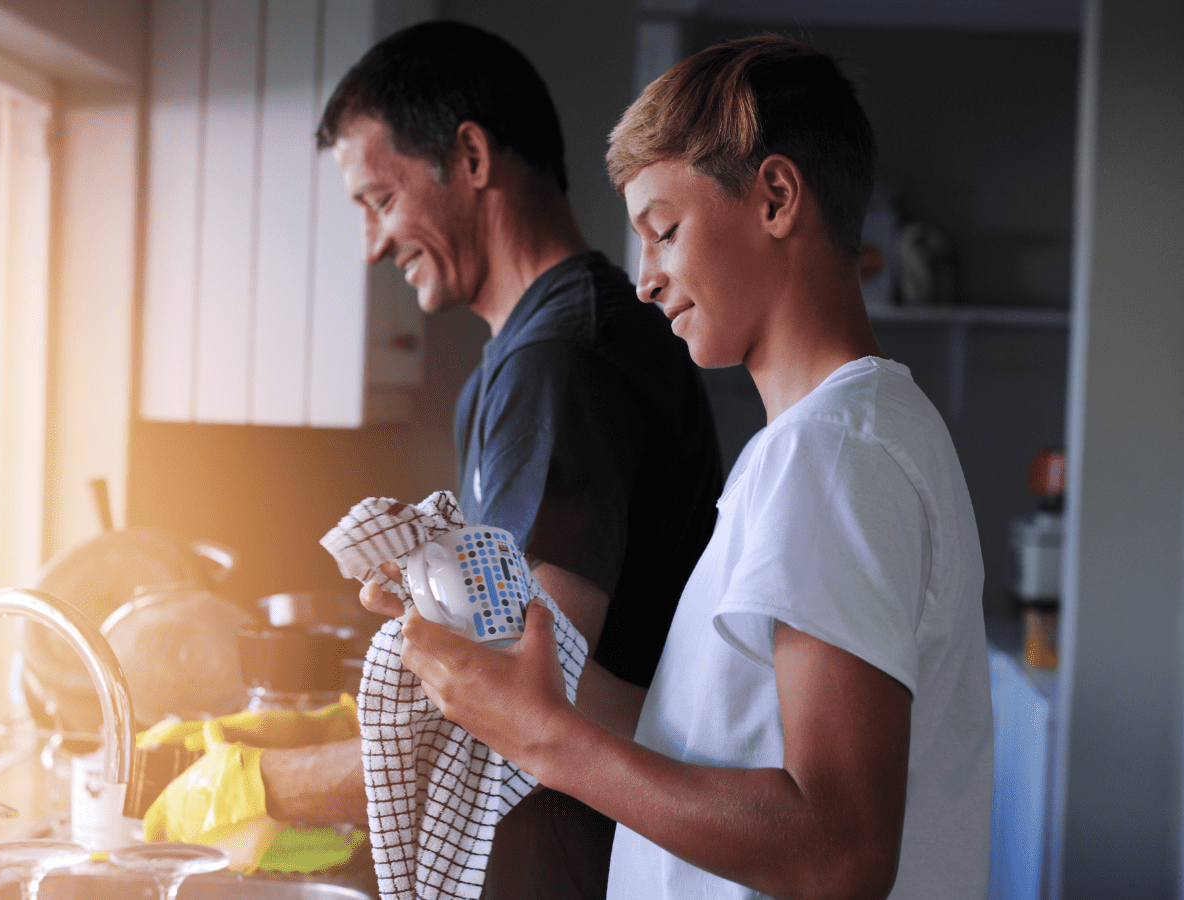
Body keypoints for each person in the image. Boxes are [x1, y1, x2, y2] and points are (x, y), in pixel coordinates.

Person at [392, 34, 994, 900]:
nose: (646, 280)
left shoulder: (828, 455)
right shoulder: (823, 442)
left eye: (664, 231)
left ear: (776, 197)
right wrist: (485, 644)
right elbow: (691, 744)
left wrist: (546, 743)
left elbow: (838, 850)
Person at [236, 20, 724, 899]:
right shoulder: (533, 352)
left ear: (469, 156)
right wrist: (279, 738)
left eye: (379, 201)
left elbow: (507, 702)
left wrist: (259, 786)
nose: (373, 245)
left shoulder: (562, 360)